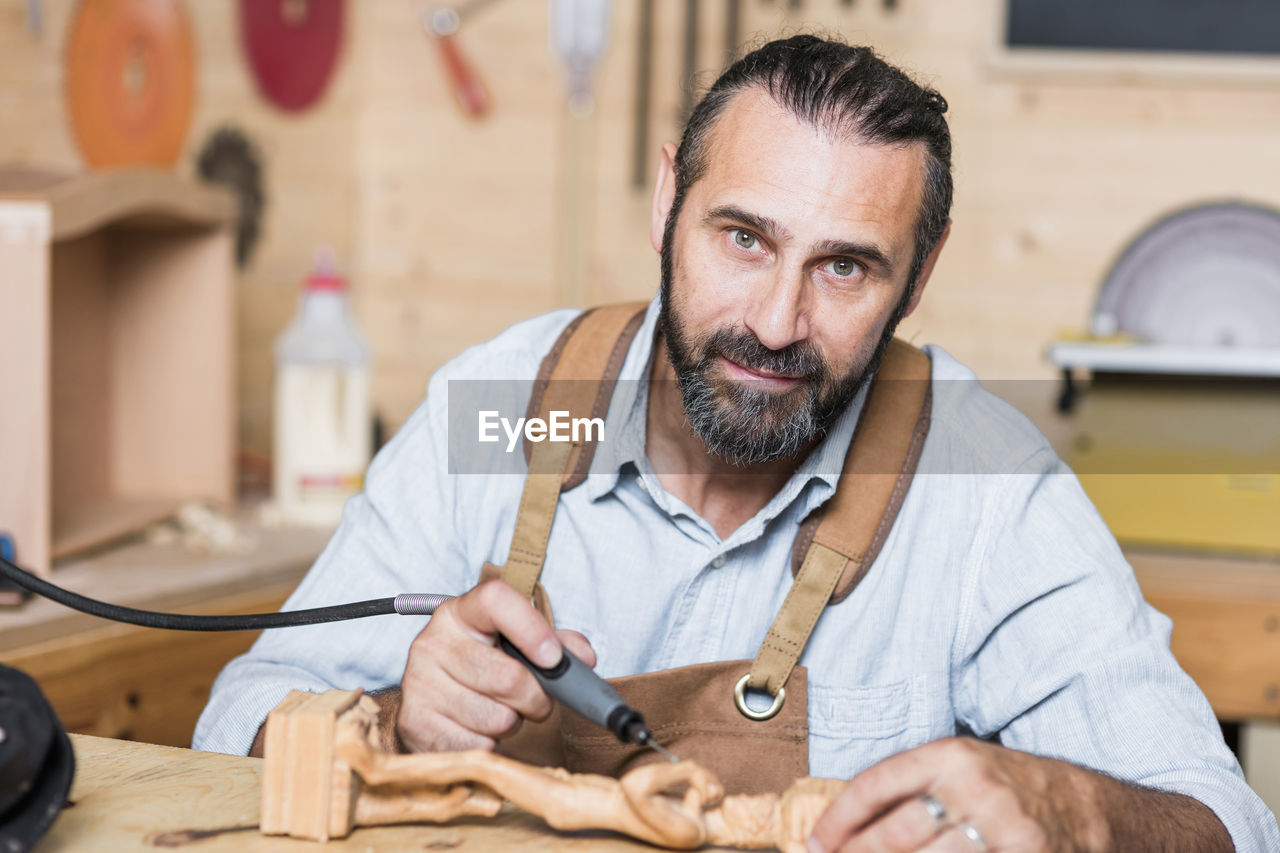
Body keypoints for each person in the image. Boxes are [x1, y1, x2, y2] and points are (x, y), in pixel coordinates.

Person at [196, 35, 1279, 852]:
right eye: (742, 237)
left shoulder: (982, 485)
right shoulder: (516, 409)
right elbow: (232, 721)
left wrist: (1068, 804)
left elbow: (1228, 819)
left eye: (845, 266)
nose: (772, 321)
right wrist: (392, 719)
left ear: (921, 273)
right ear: (669, 198)